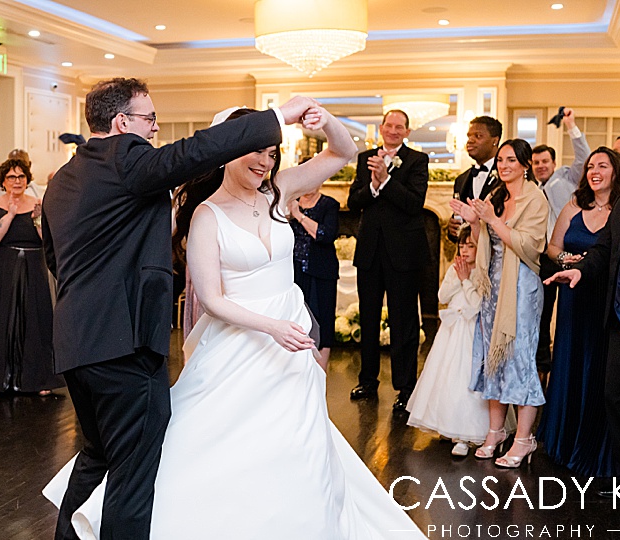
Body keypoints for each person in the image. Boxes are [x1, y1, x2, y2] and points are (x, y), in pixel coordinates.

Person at [45, 103, 426, 540]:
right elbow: (210, 298)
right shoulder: (208, 213)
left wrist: (325, 120)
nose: (265, 162)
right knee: (211, 443)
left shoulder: (280, 191)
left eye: (271, 153)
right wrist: (271, 326)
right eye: (256, 152)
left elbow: (342, 153)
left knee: (296, 442)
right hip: (242, 340)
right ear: (229, 149)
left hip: (292, 348)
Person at [41, 77, 320, 540]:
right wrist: (277, 117)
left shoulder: (64, 178)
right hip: (124, 344)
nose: (155, 130)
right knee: (132, 474)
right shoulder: (125, 159)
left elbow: (57, 260)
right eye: (149, 119)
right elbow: (192, 152)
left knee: (97, 456)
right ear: (121, 122)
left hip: (76, 343)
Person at [450, 139, 548, 467]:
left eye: (510, 160)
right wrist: (475, 222)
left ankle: (524, 438)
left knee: (519, 359)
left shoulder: (535, 198)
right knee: (492, 357)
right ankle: (496, 431)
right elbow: (483, 245)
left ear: (525, 165)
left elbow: (530, 246)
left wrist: (491, 220)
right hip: (492, 289)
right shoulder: (497, 196)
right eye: (501, 160)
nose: (503, 166)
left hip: (521, 290)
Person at [545, 163, 620, 500]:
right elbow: (603, 250)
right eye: (591, 166)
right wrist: (579, 270)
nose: (595, 170)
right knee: (617, 397)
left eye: (603, 165)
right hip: (617, 316)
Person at [348, 109, 430, 412]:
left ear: (407, 132)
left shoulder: (417, 161)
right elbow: (354, 201)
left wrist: (385, 180)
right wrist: (372, 185)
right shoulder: (364, 157)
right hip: (370, 251)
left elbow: (413, 203)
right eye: (389, 125)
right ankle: (367, 381)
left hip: (404, 255)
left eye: (400, 127)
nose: (393, 130)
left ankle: (406, 388)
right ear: (381, 128)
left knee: (404, 323)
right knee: (368, 319)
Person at [0, 158, 63, 400]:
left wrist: (38, 219)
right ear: (3, 181)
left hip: (33, 269)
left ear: (27, 179)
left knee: (35, 322)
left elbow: (48, 241)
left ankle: (38, 378)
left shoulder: (39, 204)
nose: (17, 181)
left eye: (21, 177)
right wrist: (9, 215)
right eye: (11, 177)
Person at [406, 225, 488, 456]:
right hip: (451, 330)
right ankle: (445, 424)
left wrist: (466, 279)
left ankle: (464, 433)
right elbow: (442, 296)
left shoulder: (482, 271)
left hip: (471, 332)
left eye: (469, 246)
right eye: (461, 246)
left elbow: (474, 307)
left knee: (464, 378)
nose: (464, 251)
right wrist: (456, 275)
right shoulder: (456, 268)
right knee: (444, 376)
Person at [531, 108, 591, 379]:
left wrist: (571, 126)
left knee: (567, 311)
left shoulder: (567, 177)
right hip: (542, 258)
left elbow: (584, 157)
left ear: (553, 162)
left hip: (568, 253)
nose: (540, 166)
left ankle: (566, 366)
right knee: (541, 313)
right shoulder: (531, 188)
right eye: (536, 163)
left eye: (545, 161)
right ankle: (542, 364)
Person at [287, 183, 339, 370]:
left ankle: (320, 373)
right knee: (296, 321)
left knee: (323, 320)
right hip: (293, 273)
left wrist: (299, 215)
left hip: (321, 272)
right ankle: (297, 370)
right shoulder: (289, 203)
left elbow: (325, 235)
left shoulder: (329, 205)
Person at [447, 116, 503, 242]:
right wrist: (452, 228)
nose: (470, 141)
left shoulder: (505, 175)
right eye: (469, 136)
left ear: (495, 141)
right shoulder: (461, 180)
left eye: (478, 136)